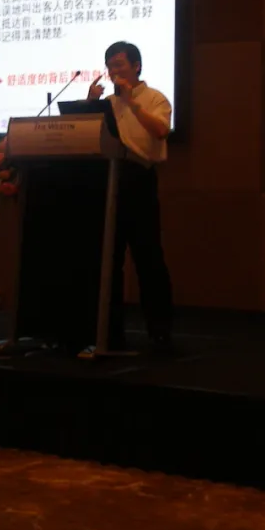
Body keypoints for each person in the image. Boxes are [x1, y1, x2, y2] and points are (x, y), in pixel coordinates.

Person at [87, 41, 174, 352]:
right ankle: (109, 333)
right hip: (108, 180)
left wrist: (133, 104)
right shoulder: (107, 103)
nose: (114, 71)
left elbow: (161, 131)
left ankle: (160, 332)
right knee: (108, 260)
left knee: (148, 257)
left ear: (136, 66)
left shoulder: (155, 98)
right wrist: (90, 104)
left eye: (120, 64)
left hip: (139, 180)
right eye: (110, 65)